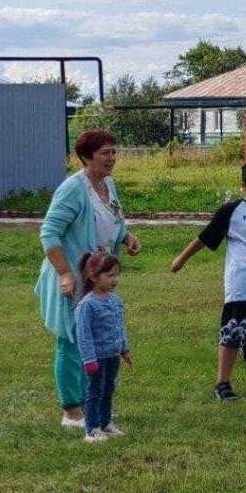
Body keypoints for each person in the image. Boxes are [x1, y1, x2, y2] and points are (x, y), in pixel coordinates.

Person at [35, 128, 140, 429]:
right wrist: (65, 272)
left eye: (114, 152)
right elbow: (49, 232)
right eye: (104, 153)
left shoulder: (109, 184)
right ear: (85, 157)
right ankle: (72, 412)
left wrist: (127, 236)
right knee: (71, 340)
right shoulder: (72, 189)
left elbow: (113, 220)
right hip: (70, 277)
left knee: (95, 339)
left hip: (95, 278)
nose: (111, 158)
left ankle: (91, 405)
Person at [170, 160, 246, 402]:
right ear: (243, 186)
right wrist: (182, 258)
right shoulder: (232, 211)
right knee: (234, 333)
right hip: (243, 283)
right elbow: (205, 237)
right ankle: (222, 383)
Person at [72, 250, 131, 442]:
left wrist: (124, 349)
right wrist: (89, 360)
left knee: (108, 390)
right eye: (110, 275)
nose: (115, 279)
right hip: (96, 360)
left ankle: (106, 424)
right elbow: (84, 336)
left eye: (117, 274)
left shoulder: (115, 301)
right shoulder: (87, 305)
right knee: (95, 393)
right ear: (94, 276)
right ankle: (92, 430)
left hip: (112, 356)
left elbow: (119, 328)